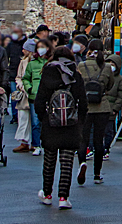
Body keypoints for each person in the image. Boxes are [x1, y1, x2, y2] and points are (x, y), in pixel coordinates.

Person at [34, 46, 87, 210]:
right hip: (70, 124)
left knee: (49, 161)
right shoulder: (76, 75)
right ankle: (64, 197)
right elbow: (83, 104)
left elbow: (39, 102)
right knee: (66, 162)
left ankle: (47, 194)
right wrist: (79, 122)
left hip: (51, 124)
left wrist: (45, 118)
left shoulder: (47, 73)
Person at [76, 39, 114, 186]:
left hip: (85, 106)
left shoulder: (81, 65)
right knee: (99, 140)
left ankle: (82, 163)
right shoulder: (107, 67)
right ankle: (97, 174)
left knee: (83, 138)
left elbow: (77, 84)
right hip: (102, 106)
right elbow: (110, 85)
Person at [23, 37, 51, 155]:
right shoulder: (32, 64)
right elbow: (26, 78)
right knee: (35, 122)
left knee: (47, 121)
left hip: (48, 96)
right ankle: (36, 145)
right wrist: (29, 88)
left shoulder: (50, 63)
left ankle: (47, 143)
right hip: (34, 95)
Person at [103, 53, 122, 161]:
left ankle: (106, 149)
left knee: (108, 130)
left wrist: (115, 109)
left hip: (110, 109)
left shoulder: (120, 80)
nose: (110, 66)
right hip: (101, 107)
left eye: (113, 64)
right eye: (108, 63)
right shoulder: (103, 76)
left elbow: (121, 96)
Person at [13, 39, 35, 153]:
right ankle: (24, 141)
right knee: (23, 117)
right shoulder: (23, 62)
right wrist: (20, 85)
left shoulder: (36, 62)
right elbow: (18, 76)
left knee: (34, 119)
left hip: (33, 92)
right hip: (24, 93)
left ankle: (34, 142)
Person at [6, 26, 26, 124]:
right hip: (13, 73)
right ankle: (15, 116)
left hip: (23, 73)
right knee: (14, 96)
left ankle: (22, 114)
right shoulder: (10, 45)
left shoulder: (25, 44)